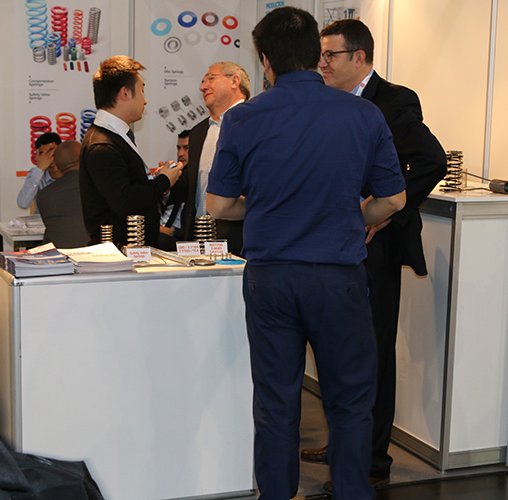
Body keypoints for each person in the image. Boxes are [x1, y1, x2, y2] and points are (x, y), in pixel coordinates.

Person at [206, 7, 407, 500]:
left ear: (265, 61)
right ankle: (352, 490)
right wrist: (352, 214)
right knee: (350, 398)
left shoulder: (242, 118)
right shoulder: (363, 114)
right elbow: (394, 199)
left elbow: (219, 205)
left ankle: (278, 494)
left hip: (271, 277)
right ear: (316, 56)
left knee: (276, 401)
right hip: (338, 277)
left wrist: (266, 204)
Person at [300, 19, 448, 490]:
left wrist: (385, 210)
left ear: (359, 57)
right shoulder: (324, 101)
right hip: (330, 244)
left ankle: (371, 461)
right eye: (319, 56)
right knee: (335, 348)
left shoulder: (394, 100)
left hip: (374, 248)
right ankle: (344, 442)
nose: (322, 64)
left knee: (372, 353)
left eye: (330, 55)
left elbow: (431, 161)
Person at [79, 55, 185, 247]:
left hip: (131, 250)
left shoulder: (115, 136)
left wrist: (155, 180)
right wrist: (163, 181)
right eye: (142, 91)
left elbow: (124, 188)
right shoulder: (102, 145)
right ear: (125, 93)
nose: (145, 101)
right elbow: (124, 200)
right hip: (118, 254)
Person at [181, 62, 249, 256]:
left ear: (234, 81)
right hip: (198, 242)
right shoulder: (198, 131)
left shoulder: (256, 123)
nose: (203, 87)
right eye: (203, 82)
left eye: (211, 79)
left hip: (240, 240)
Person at [36, 139, 90, 248]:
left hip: (59, 255)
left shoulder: (44, 195)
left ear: (58, 165)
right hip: (97, 253)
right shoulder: (98, 187)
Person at [157, 129, 189, 250]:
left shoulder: (198, 179)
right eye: (178, 148)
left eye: (186, 148)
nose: (180, 153)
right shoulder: (174, 172)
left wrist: (170, 231)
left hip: (178, 238)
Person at [16, 131, 63, 210]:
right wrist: (39, 169)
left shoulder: (73, 173)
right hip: (42, 218)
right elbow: (23, 204)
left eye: (52, 152)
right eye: (43, 154)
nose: (49, 159)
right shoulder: (37, 174)